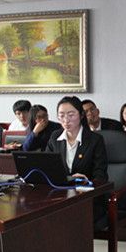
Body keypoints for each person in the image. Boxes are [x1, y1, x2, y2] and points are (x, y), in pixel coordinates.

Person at [47, 96, 109, 228]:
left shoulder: (95, 140)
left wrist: (87, 181)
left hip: (87, 198)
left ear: (81, 115)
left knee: (66, 220)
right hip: (61, 196)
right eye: (61, 115)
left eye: (71, 115)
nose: (66, 120)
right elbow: (47, 166)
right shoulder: (54, 137)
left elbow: (101, 175)